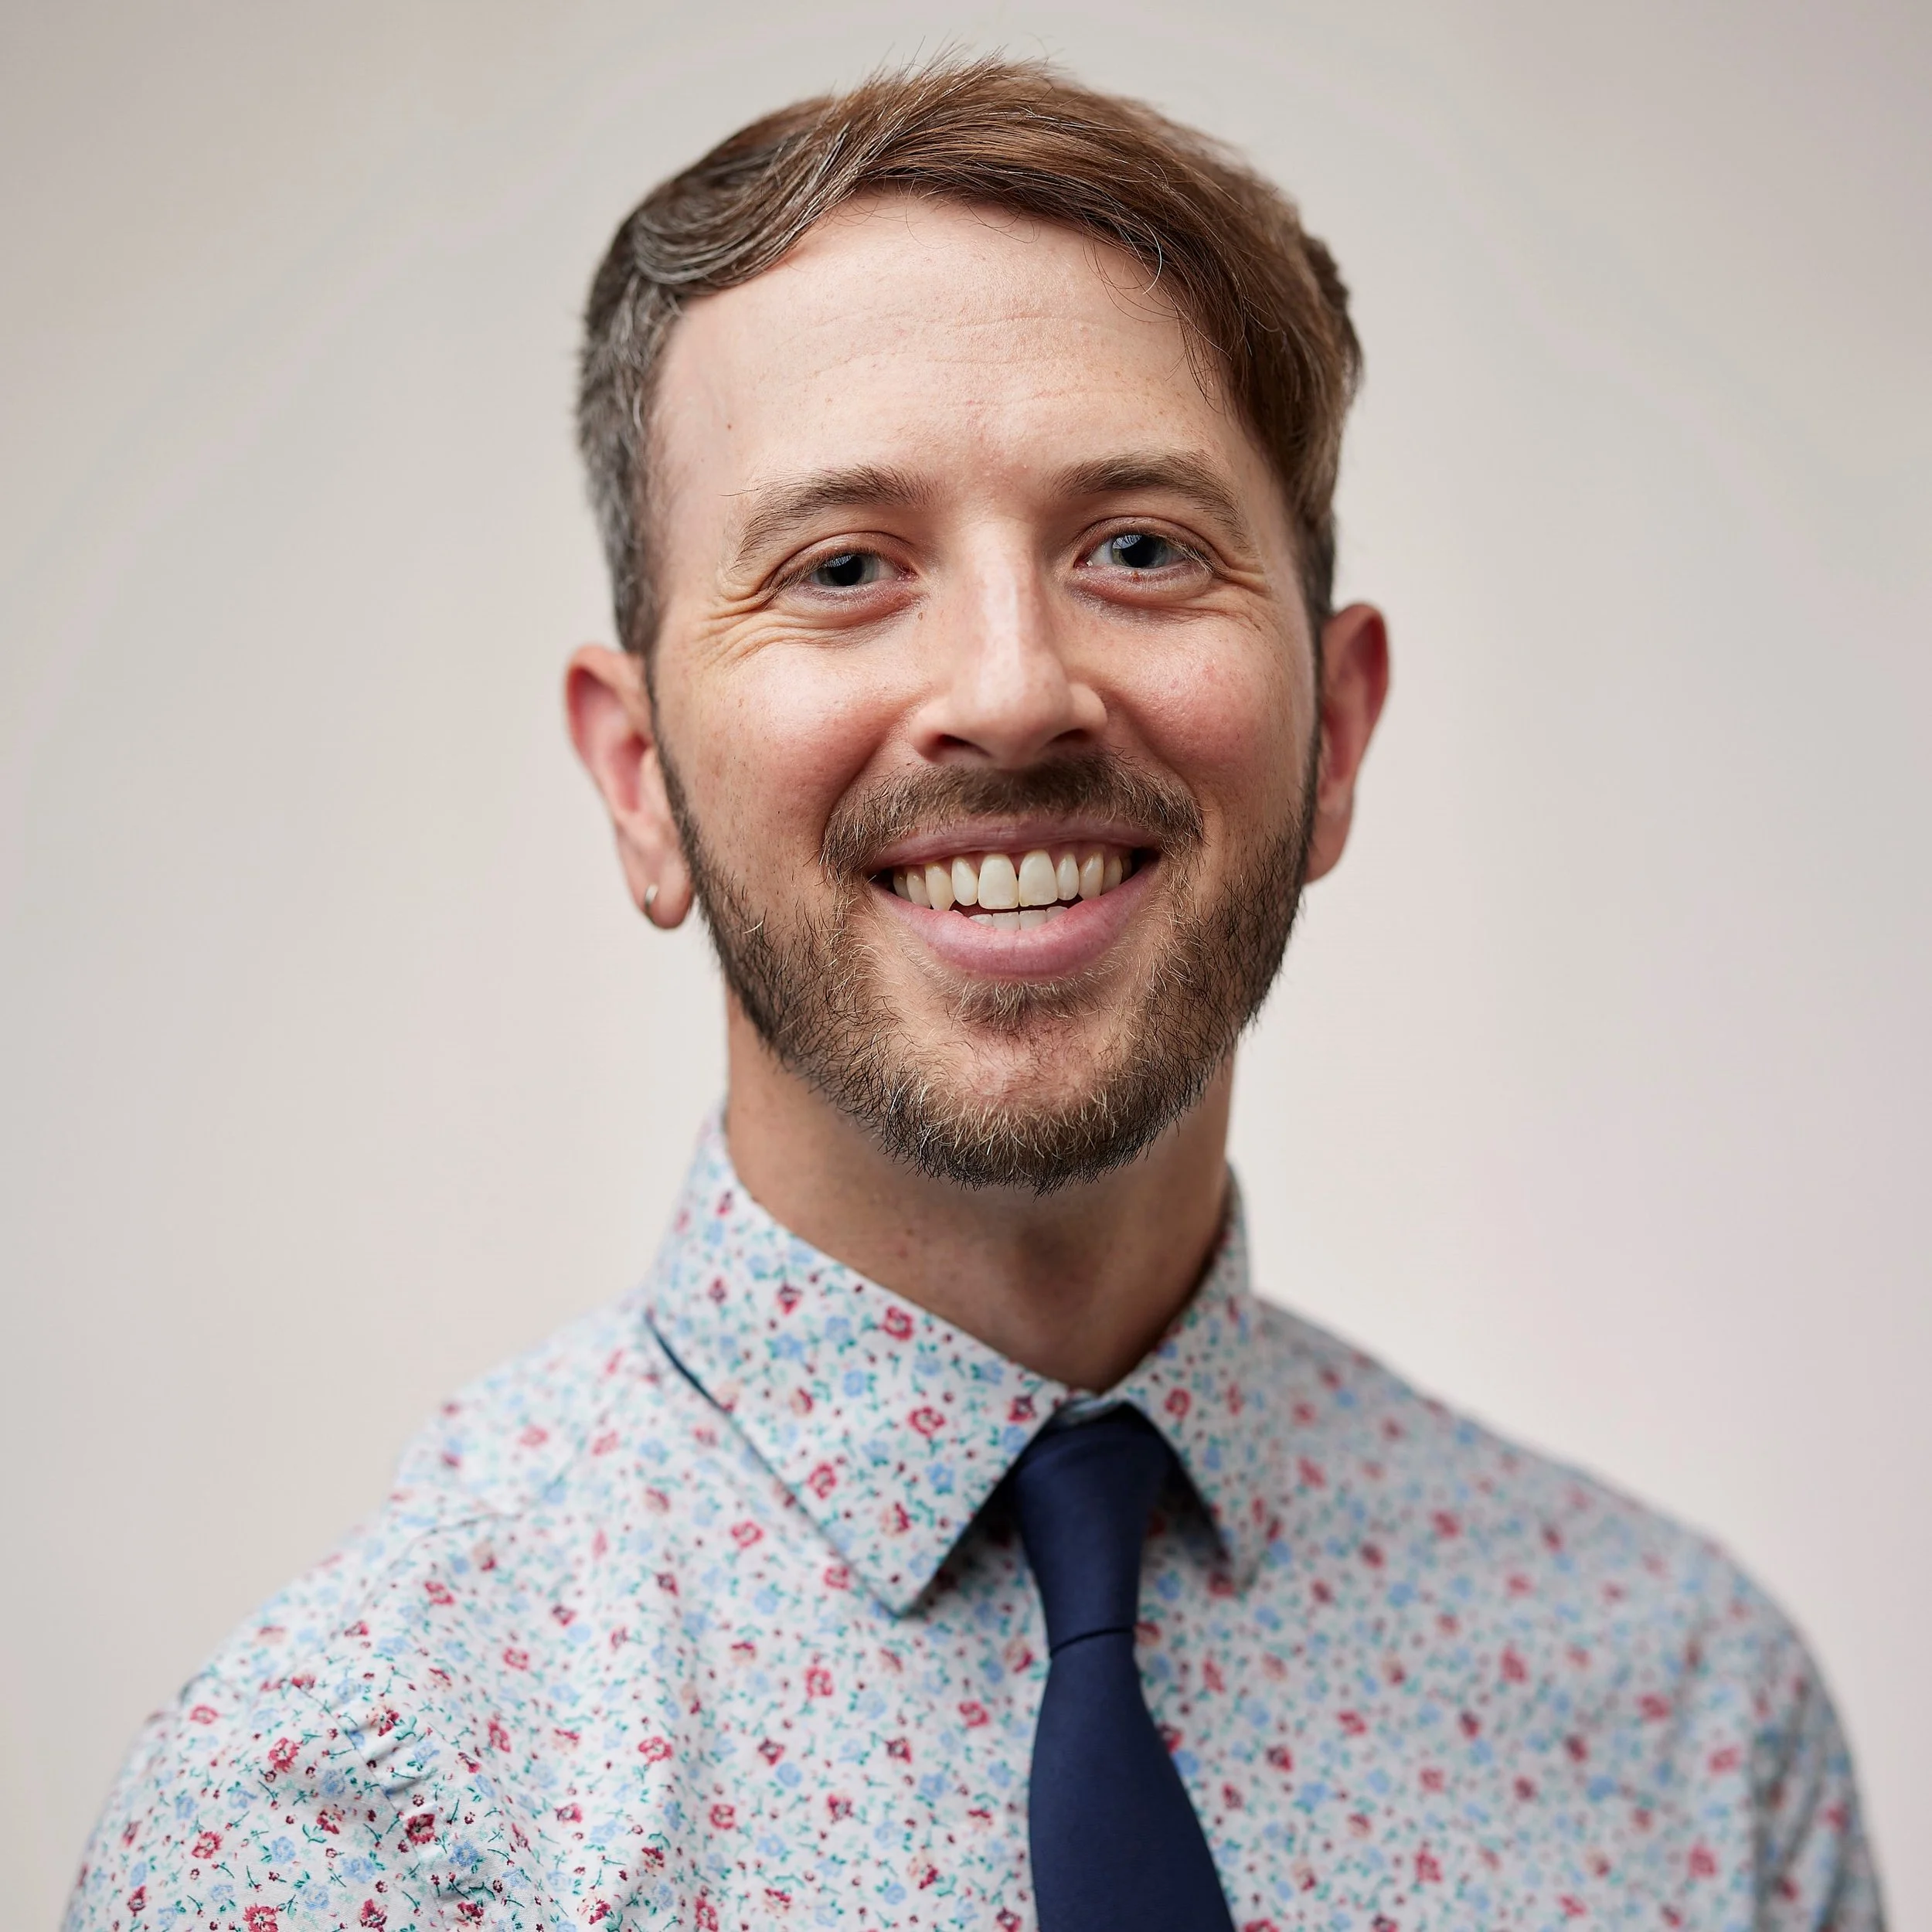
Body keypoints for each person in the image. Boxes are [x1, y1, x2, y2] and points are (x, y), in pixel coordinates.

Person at [68, 56, 1880, 1932]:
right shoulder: (345, 1814)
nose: (1012, 688)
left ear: (1332, 732)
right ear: (638, 780)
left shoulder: (1684, 1727)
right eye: (843, 568)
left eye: (1138, 548)